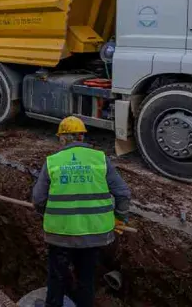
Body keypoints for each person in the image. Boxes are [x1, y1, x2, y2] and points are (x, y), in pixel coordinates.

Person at [32, 116, 131, 307]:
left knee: (57, 275)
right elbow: (123, 194)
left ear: (62, 138)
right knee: (86, 277)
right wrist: (120, 218)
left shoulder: (53, 162)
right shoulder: (100, 159)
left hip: (60, 233)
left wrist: (47, 213)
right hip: (94, 234)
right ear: (81, 137)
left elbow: (38, 199)